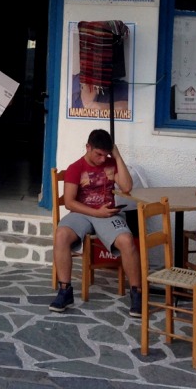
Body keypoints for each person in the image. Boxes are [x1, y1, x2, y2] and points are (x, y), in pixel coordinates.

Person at [49, 129, 141, 318]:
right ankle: (65, 291)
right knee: (61, 235)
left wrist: (117, 156)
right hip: (81, 213)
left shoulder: (111, 163)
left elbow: (127, 187)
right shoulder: (76, 168)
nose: (102, 159)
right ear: (88, 147)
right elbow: (69, 202)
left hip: (107, 214)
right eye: (98, 154)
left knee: (126, 240)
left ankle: (137, 293)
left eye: (105, 154)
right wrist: (96, 212)